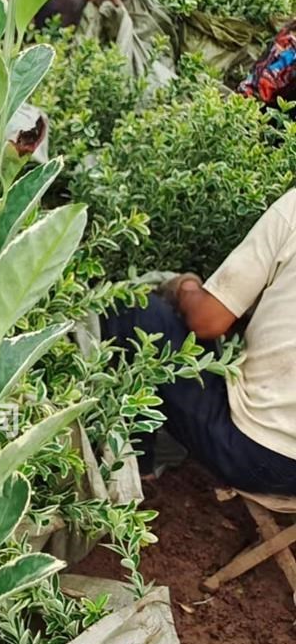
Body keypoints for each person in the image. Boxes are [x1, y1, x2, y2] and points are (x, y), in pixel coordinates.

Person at [103, 189, 296, 496]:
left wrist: (185, 287)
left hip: (256, 455)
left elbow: (207, 321)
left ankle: (137, 467)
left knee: (134, 311)